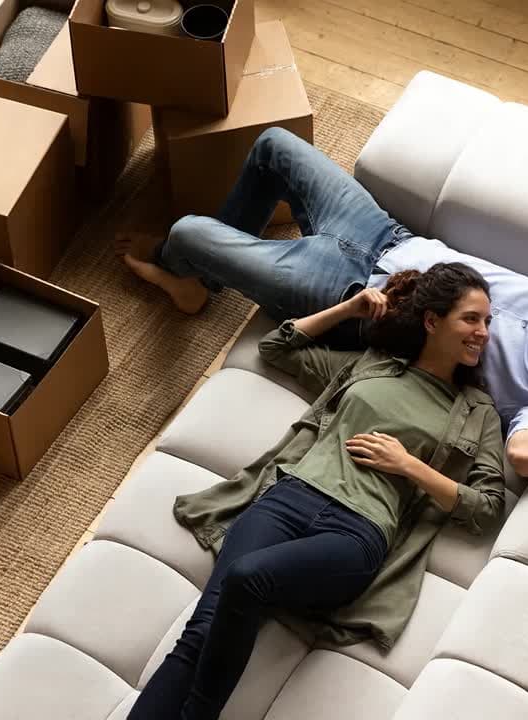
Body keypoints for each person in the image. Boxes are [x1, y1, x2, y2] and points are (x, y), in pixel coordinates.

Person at [120, 128, 528, 478]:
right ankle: (207, 275)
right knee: (272, 146)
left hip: (354, 297)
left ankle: (190, 280)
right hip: (389, 238)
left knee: (189, 233)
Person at [127, 263, 506, 720]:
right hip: (289, 498)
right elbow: (278, 347)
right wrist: (348, 308)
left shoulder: (478, 411)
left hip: (357, 533)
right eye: (471, 319)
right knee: (201, 629)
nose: (483, 332)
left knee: (247, 579)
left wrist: (409, 466)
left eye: (487, 321)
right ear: (432, 321)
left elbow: (487, 507)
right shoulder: (371, 366)